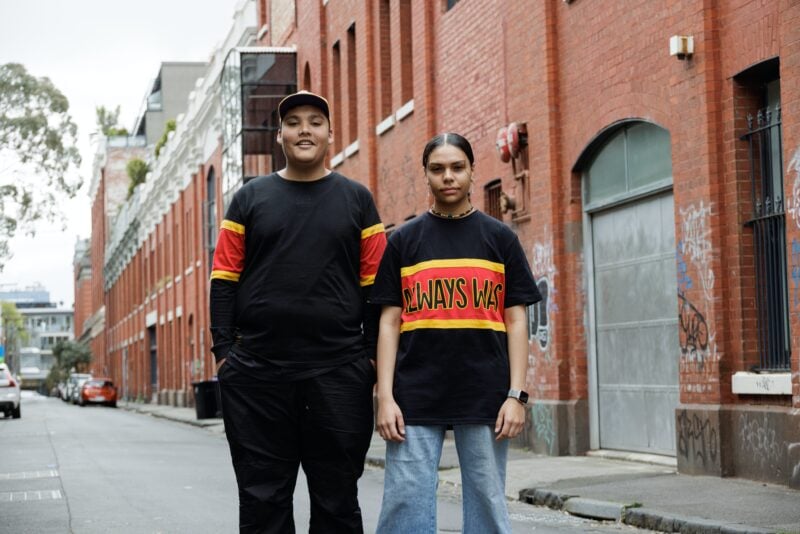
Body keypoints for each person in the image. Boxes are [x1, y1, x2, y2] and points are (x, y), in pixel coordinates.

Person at [209, 90, 387, 533]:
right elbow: (223, 279)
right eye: (293, 122)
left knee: (337, 500)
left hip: (339, 373)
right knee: (261, 498)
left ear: (330, 134)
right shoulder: (249, 199)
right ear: (279, 136)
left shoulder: (358, 200)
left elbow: (378, 288)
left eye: (314, 121)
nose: (304, 129)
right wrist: (224, 353)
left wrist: (369, 360)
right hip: (256, 375)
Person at [371, 133, 541, 533]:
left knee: (487, 499)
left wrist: (517, 396)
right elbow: (388, 322)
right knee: (405, 499)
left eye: (457, 167)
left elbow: (517, 322)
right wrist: (385, 397)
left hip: (486, 393)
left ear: (471, 171)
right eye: (438, 169)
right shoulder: (403, 241)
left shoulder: (500, 239)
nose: (448, 177)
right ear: (426, 175)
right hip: (414, 393)